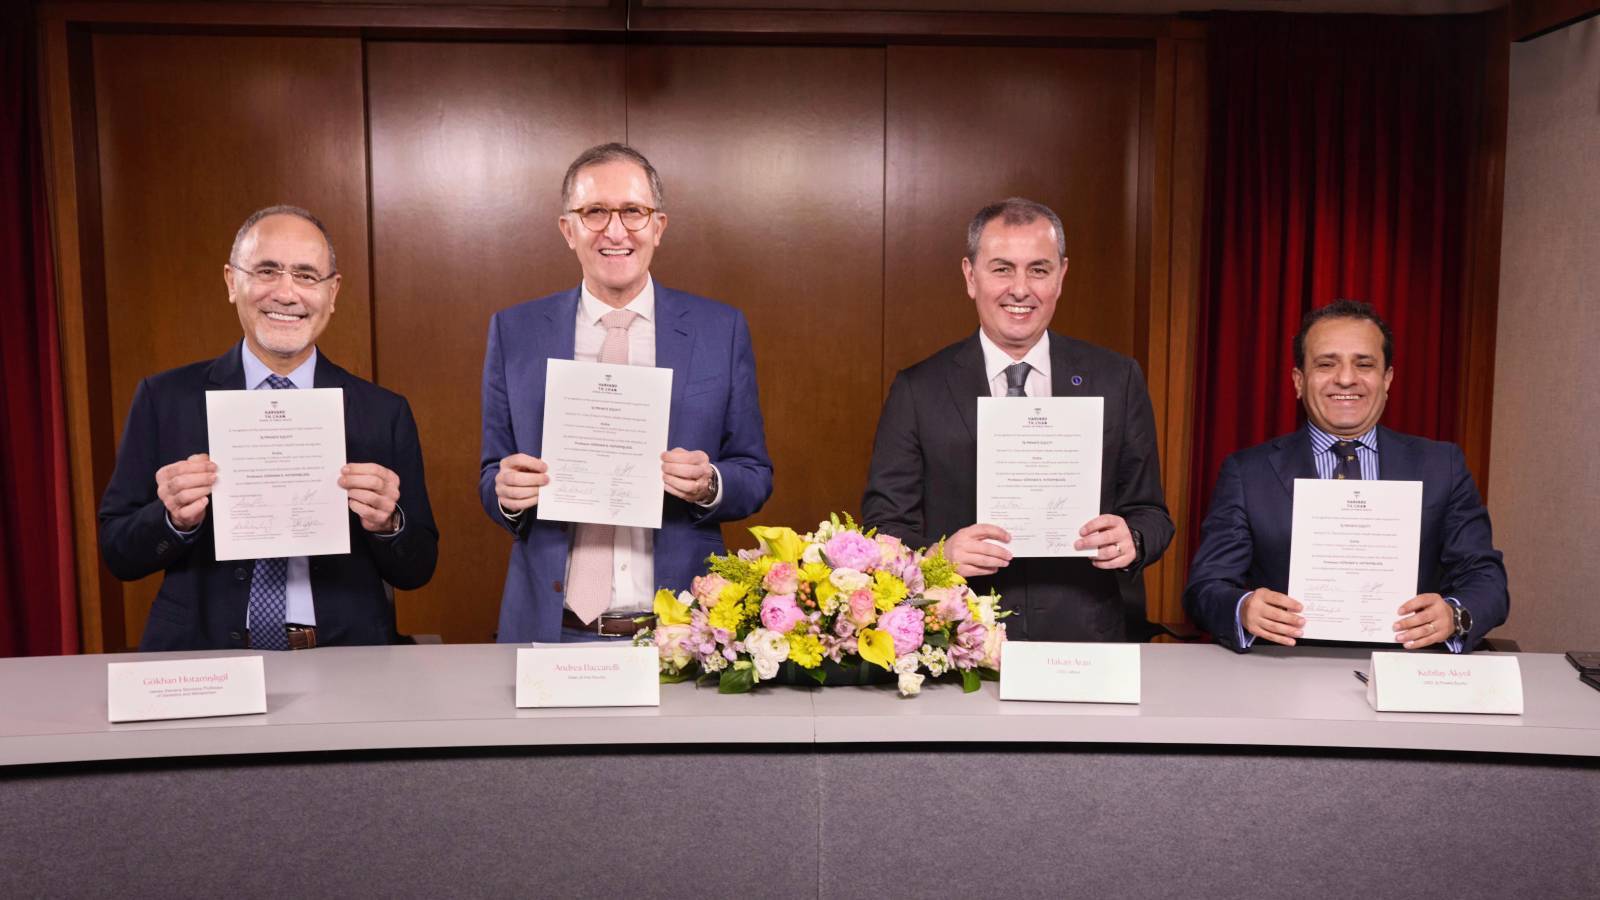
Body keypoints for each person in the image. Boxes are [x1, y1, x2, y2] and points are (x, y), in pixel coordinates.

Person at [99, 205, 439, 651]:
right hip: (205, 657)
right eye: (266, 271)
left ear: (332, 293)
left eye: (306, 275)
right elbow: (118, 553)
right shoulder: (164, 399)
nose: (286, 293)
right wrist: (171, 519)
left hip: (344, 658)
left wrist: (387, 523)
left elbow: (417, 568)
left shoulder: (383, 412)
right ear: (231, 282)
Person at [480, 143, 773, 643]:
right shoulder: (516, 331)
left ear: (658, 226)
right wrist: (505, 495)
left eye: (633, 211)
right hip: (552, 629)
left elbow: (755, 473)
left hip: (678, 633)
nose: (615, 231)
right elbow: (492, 474)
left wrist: (708, 484)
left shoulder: (719, 330)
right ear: (567, 229)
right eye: (595, 212)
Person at [861, 197, 1173, 641]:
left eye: (1039, 270)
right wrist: (938, 557)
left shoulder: (1116, 378)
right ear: (971, 276)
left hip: (1084, 640)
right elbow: (883, 527)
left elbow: (1152, 514)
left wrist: (1133, 539)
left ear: (1061, 276)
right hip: (959, 638)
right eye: (1002, 269)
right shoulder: (918, 389)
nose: (1020, 289)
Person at [1183, 299, 1508, 652]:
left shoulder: (1442, 465)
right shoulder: (1247, 473)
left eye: (1364, 364)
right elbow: (1206, 587)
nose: (1346, 378)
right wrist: (1244, 609)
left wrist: (1454, 615)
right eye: (1326, 364)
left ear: (1387, 379)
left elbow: (1486, 578)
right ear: (1298, 381)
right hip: (1284, 668)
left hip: (1407, 666)